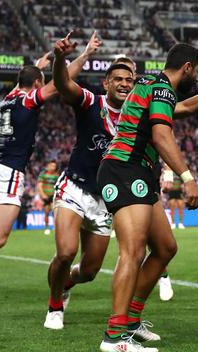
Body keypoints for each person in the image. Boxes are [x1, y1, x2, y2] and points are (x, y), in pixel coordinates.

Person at [96, 43, 198, 352]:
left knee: (165, 247)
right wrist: (189, 179)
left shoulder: (152, 84)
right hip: (124, 169)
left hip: (137, 172)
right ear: (187, 67)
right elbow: (161, 136)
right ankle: (115, 336)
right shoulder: (160, 90)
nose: (197, 76)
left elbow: (182, 109)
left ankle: (131, 320)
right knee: (131, 253)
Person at [0, 49, 87, 313]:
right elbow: (62, 82)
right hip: (8, 173)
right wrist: (85, 54)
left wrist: (37, 66)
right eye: (40, 83)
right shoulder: (29, 100)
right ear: (36, 84)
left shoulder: (8, 98)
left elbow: (31, 78)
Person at [44, 32, 135, 330]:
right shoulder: (89, 101)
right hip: (74, 187)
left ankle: (65, 285)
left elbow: (178, 111)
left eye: (129, 80)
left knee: (90, 271)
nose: (124, 84)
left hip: (105, 200)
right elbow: (61, 84)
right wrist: (60, 58)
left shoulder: (136, 117)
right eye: (118, 79)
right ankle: (54, 305)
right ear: (106, 83)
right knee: (66, 252)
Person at [37, 160, 59, 235]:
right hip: (45, 197)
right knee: (46, 212)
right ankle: (46, 227)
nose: (53, 167)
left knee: (54, 211)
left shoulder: (56, 176)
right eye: (52, 166)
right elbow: (39, 186)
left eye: (54, 166)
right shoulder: (43, 175)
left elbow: (58, 186)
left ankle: (56, 227)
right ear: (48, 166)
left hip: (53, 197)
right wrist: (42, 194)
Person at [163, 163, 185, 229]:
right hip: (172, 192)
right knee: (172, 208)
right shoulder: (169, 173)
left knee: (180, 207)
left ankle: (181, 223)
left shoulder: (179, 174)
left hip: (179, 192)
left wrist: (183, 186)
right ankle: (173, 223)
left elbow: (183, 183)